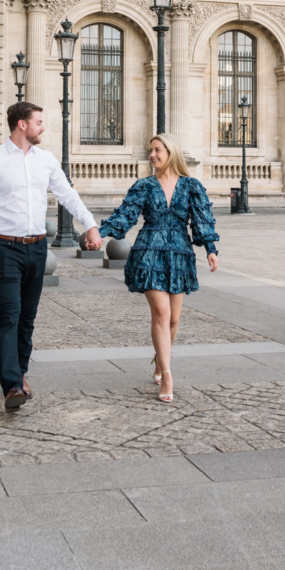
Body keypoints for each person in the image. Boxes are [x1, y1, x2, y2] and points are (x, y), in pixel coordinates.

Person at [0, 102, 101, 411]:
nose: (43, 127)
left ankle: (20, 373)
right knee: (8, 316)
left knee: (27, 318)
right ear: (22, 125)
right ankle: (12, 385)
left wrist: (90, 225)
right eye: (38, 122)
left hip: (37, 248)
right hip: (3, 248)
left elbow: (68, 195)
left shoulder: (47, 161)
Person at [95, 133, 219, 403]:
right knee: (162, 314)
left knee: (174, 320)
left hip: (179, 255)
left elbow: (202, 219)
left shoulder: (191, 186)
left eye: (157, 150)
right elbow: (125, 214)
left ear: (171, 152)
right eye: (150, 150)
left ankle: (158, 358)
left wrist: (210, 249)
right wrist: (101, 232)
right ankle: (167, 372)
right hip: (149, 252)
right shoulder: (144, 185)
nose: (152, 155)